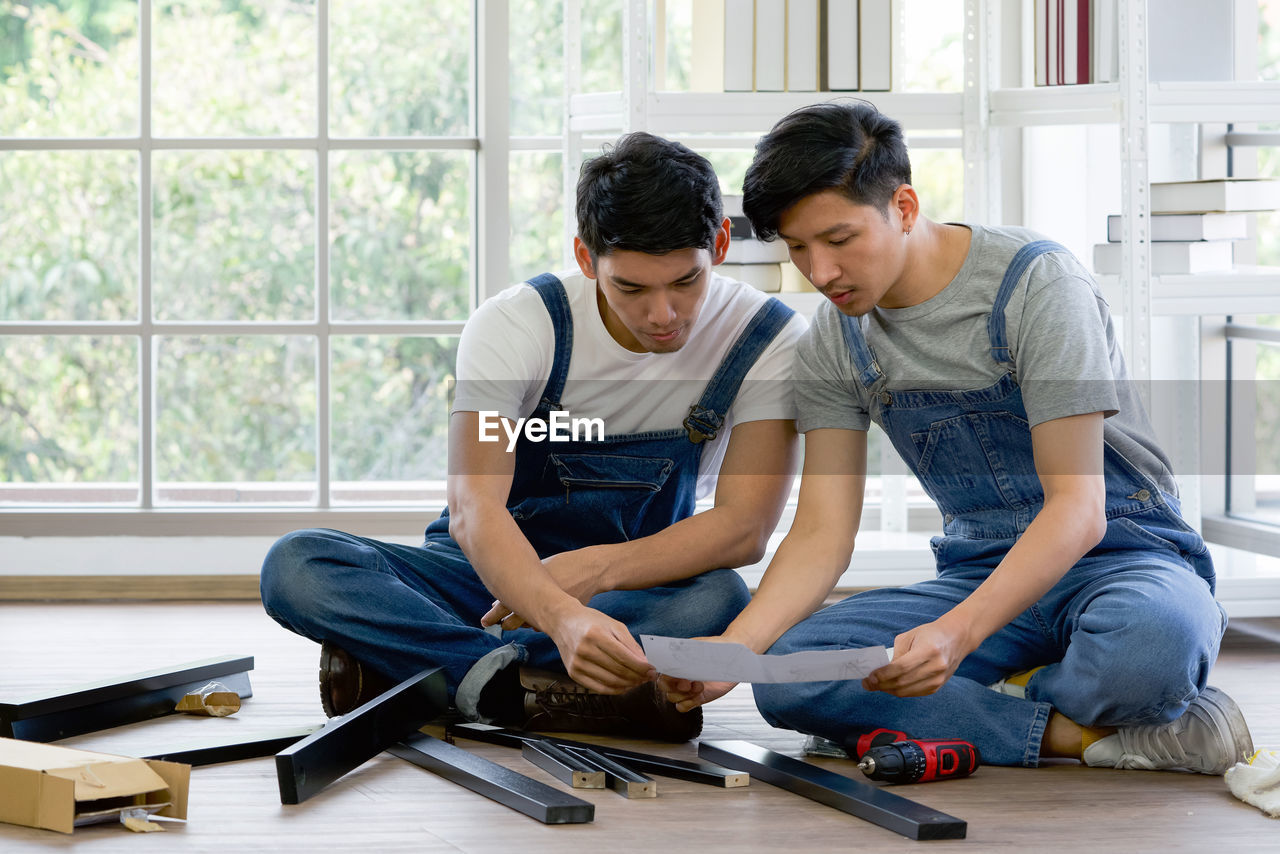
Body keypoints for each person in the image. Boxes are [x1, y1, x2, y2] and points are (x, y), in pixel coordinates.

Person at [660, 101, 1254, 773]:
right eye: (798, 248)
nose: (820, 273)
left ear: (904, 207)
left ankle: (998, 696)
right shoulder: (835, 339)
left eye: (839, 239)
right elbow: (823, 533)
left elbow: (1078, 511)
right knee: (791, 675)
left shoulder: (1036, 286)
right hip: (981, 573)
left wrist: (956, 635)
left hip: (1123, 558)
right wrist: (735, 653)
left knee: (1151, 650)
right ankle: (1081, 733)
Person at [260, 132, 806, 742]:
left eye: (685, 282)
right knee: (298, 564)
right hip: (479, 578)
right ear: (584, 256)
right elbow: (474, 508)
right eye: (631, 287)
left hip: (628, 588)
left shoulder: (768, 340)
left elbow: (744, 527)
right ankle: (526, 684)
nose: (662, 314)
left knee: (715, 601)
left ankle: (428, 667)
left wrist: (593, 575)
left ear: (721, 245)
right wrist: (558, 613)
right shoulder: (516, 325)